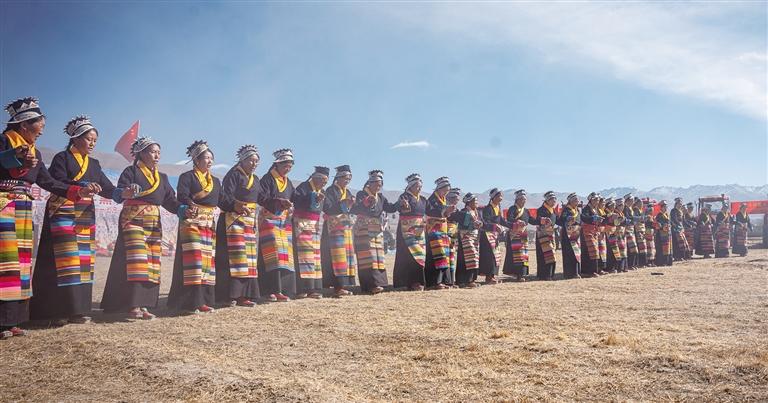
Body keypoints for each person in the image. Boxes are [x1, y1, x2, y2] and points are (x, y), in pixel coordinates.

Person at [1, 98, 97, 338]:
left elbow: (48, 182)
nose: (42, 131)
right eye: (39, 126)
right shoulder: (3, 142)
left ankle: (12, 320)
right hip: (3, 205)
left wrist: (77, 191)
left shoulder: (35, 152)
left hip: (23, 209)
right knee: (5, 262)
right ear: (24, 125)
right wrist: (14, 156)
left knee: (21, 265)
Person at [31, 115, 132, 325]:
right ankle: (56, 311)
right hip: (63, 210)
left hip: (85, 214)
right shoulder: (62, 158)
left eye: (95, 140)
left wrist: (123, 193)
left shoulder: (94, 164)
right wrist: (82, 186)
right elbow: (56, 180)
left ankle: (77, 310)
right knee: (64, 260)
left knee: (83, 261)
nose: (92, 144)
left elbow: (107, 188)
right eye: (89, 139)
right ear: (76, 138)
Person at [101, 137, 191, 319]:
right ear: (141, 153)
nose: (157, 155)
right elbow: (120, 191)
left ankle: (144, 304)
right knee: (137, 260)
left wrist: (183, 209)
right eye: (152, 152)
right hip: (133, 219)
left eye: (158, 152)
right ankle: (133, 305)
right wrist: (125, 192)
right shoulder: (131, 171)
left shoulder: (162, 177)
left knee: (152, 261)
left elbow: (170, 201)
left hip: (153, 223)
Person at [167, 141, 221, 313]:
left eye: (211, 158)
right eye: (206, 158)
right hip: (191, 222)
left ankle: (203, 301)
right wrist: (190, 204)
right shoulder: (187, 177)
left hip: (209, 224)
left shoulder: (216, 181)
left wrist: (236, 205)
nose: (210, 161)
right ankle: (189, 302)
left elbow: (222, 200)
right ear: (196, 160)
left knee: (207, 263)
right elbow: (182, 196)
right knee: (194, 261)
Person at [215, 145, 263, 307]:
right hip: (232, 221)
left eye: (256, 161)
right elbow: (224, 197)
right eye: (251, 160)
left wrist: (278, 203)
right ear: (242, 160)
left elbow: (262, 198)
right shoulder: (233, 175)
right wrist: (236, 205)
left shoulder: (255, 179)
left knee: (248, 259)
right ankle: (229, 295)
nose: (254, 164)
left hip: (248, 223)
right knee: (233, 259)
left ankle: (244, 295)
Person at [258, 148, 296, 301]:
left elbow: (294, 197)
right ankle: (271, 290)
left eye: (290, 166)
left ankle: (285, 289)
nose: (288, 168)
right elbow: (261, 197)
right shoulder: (267, 179)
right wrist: (279, 202)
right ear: (277, 164)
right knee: (272, 254)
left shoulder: (288, 182)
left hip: (284, 223)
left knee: (285, 255)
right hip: (269, 221)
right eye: (285, 165)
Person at [352, 170, 398, 294]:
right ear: (370, 183)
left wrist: (400, 203)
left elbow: (390, 208)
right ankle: (370, 285)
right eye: (376, 184)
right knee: (368, 256)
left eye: (380, 184)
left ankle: (381, 283)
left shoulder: (381, 197)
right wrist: (367, 202)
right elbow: (356, 208)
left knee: (379, 257)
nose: (378, 186)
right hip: (364, 230)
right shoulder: (362, 194)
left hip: (377, 230)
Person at [291, 166, 329, 299]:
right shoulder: (304, 187)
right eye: (322, 180)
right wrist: (312, 196)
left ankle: (314, 288)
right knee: (304, 255)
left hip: (316, 225)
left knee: (315, 257)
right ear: (315, 178)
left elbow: (327, 207)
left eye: (326, 181)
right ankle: (303, 288)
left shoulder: (322, 191)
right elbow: (296, 201)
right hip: (302, 223)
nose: (324, 183)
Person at [320, 165, 357, 298]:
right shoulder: (330, 191)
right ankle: (337, 286)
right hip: (333, 228)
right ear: (338, 178)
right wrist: (343, 203)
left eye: (349, 179)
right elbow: (327, 208)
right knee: (336, 256)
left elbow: (351, 209)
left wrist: (352, 203)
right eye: (345, 178)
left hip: (346, 229)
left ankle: (344, 285)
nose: (347, 181)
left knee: (346, 256)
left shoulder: (348, 192)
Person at [393, 173, 427, 291]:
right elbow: (400, 207)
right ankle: (406, 282)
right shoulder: (404, 196)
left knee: (419, 255)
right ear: (411, 186)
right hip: (406, 229)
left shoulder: (423, 199)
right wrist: (404, 206)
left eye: (420, 186)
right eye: (417, 186)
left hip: (419, 231)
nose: (419, 188)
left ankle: (418, 281)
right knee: (407, 255)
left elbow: (428, 212)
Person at [424, 177, 456, 290]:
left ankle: (444, 281)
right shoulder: (432, 200)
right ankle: (435, 282)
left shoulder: (444, 199)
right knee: (437, 256)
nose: (446, 192)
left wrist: (449, 211)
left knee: (444, 257)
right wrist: (445, 210)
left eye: (448, 191)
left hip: (443, 231)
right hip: (434, 231)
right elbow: (431, 211)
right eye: (445, 190)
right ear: (439, 189)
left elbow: (445, 214)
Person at [450, 193, 483, 288]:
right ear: (469, 202)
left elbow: (481, 222)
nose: (476, 202)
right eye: (475, 201)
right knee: (468, 258)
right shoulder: (463, 212)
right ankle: (464, 280)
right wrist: (473, 224)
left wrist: (480, 224)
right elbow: (464, 224)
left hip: (475, 237)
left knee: (473, 258)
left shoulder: (477, 212)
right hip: (465, 237)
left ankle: (471, 279)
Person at [502, 190, 535, 281]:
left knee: (523, 255)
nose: (524, 201)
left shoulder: (526, 211)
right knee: (517, 255)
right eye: (522, 199)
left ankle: (523, 274)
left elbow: (532, 220)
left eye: (525, 199)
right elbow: (509, 219)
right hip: (515, 235)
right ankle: (518, 275)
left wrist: (541, 221)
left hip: (523, 235)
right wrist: (517, 221)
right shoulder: (512, 209)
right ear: (517, 200)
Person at [478, 188, 510, 284]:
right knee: (489, 256)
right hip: (487, 236)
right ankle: (488, 277)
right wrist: (494, 226)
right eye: (499, 196)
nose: (501, 198)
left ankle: (492, 275)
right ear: (494, 197)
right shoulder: (488, 209)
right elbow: (485, 222)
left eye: (501, 196)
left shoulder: (498, 207)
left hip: (495, 236)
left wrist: (513, 225)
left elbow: (502, 221)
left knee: (495, 256)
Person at [558, 193, 582, 279]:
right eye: (575, 200)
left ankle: (577, 272)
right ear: (570, 201)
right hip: (567, 235)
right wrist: (568, 220)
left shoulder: (577, 210)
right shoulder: (566, 210)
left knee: (576, 253)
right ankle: (569, 273)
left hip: (576, 234)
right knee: (569, 253)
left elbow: (580, 220)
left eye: (577, 200)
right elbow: (561, 220)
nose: (577, 202)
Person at [535, 191, 558, 280]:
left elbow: (557, 220)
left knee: (551, 254)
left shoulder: (553, 210)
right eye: (552, 199)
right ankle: (544, 275)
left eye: (555, 199)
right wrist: (543, 220)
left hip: (551, 234)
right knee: (545, 255)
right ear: (547, 200)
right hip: (543, 235)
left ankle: (550, 274)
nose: (554, 201)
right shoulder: (541, 209)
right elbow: (538, 219)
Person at [580, 192, 602, 278]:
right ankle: (589, 271)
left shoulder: (595, 209)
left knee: (595, 251)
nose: (597, 201)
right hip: (587, 232)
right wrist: (593, 218)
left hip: (594, 232)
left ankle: (595, 270)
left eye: (598, 200)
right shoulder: (586, 209)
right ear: (591, 200)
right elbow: (584, 218)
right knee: (592, 251)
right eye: (595, 200)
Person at [444, 187, 462, 287]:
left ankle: (451, 280)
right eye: (456, 198)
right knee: (445, 257)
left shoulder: (456, 209)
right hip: (445, 235)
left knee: (451, 257)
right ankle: (446, 280)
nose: (457, 200)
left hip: (453, 236)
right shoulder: (445, 208)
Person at [654, 200, 673, 266]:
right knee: (661, 248)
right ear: (661, 208)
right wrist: (662, 227)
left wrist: (669, 226)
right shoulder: (659, 215)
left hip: (667, 234)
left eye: (666, 207)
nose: (665, 208)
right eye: (664, 207)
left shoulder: (667, 214)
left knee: (668, 248)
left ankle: (668, 261)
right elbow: (658, 224)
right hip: (661, 234)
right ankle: (661, 262)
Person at [670, 198, 690, 262]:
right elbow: (673, 220)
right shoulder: (673, 211)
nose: (680, 205)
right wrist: (677, 226)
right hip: (675, 229)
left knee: (683, 243)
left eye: (681, 204)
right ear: (676, 204)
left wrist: (688, 225)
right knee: (677, 244)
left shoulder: (681, 211)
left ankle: (682, 256)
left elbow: (683, 220)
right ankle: (677, 257)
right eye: (679, 204)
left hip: (680, 229)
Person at [632, 197, 648, 268]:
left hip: (642, 230)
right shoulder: (635, 210)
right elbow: (635, 219)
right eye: (640, 203)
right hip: (638, 230)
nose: (641, 205)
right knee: (640, 246)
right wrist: (642, 218)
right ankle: (641, 263)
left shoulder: (641, 210)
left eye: (642, 203)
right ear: (637, 204)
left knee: (643, 247)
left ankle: (644, 262)